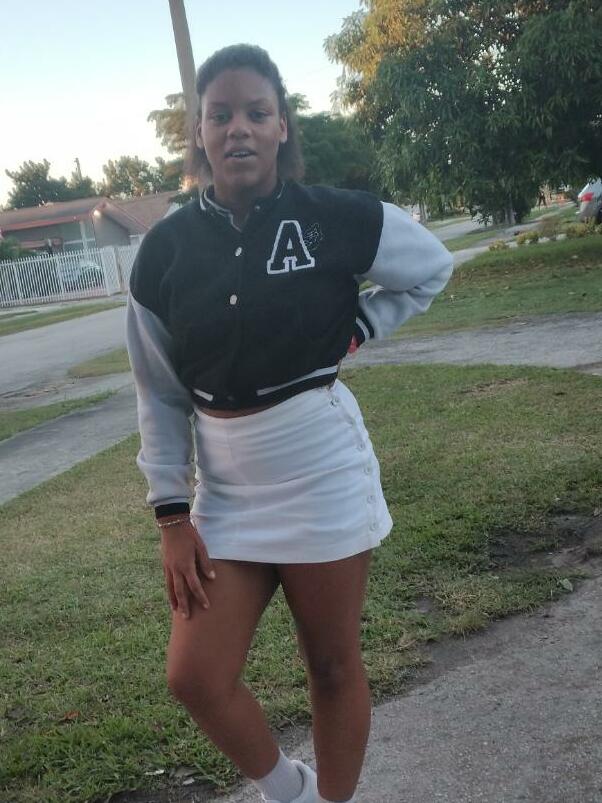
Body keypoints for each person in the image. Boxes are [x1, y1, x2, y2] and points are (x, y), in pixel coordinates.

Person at [126, 43, 453, 803]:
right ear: (199, 133)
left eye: (256, 112)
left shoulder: (335, 216)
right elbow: (159, 392)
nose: (237, 128)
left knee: (331, 665)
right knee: (196, 675)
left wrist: (358, 329)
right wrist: (171, 515)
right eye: (219, 114)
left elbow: (430, 267)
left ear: (281, 127)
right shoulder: (164, 251)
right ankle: (290, 791)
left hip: (320, 468)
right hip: (226, 491)